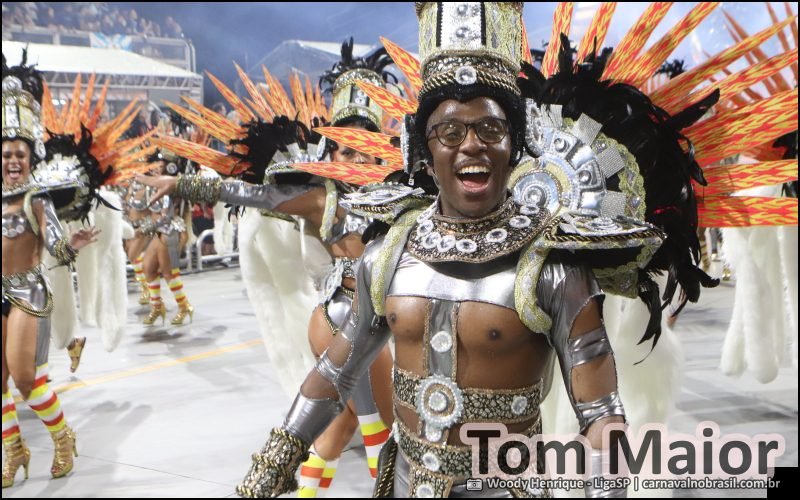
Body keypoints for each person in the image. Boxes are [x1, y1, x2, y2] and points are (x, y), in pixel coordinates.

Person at [137, 40, 401, 496]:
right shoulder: (324, 198)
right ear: (329, 155)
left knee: (338, 427)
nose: (357, 161)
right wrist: (180, 182)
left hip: (353, 319)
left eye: (366, 151)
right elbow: (255, 195)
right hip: (348, 319)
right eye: (346, 151)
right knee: (383, 430)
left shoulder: (401, 200)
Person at [2, 53, 99, 488]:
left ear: (30, 156)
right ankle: (14, 451)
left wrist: (69, 244)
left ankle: (62, 438)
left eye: (19, 153)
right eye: (5, 154)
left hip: (28, 294)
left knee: (25, 378)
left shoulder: (36, 199)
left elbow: (56, 240)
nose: (12, 161)